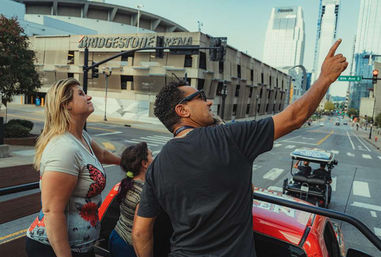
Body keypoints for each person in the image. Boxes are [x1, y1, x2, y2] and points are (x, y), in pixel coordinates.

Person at [132, 39, 348, 257]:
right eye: (200, 97)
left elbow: (140, 232)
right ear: (182, 110)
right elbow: (294, 117)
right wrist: (325, 79)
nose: (209, 102)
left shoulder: (156, 166)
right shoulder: (229, 137)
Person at [25, 78, 121, 257]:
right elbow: (52, 211)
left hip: (82, 247)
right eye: (81, 94)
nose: (89, 97)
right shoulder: (63, 148)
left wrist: (126, 162)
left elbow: (102, 155)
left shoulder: (81, 137)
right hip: (53, 249)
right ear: (66, 104)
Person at [108, 142, 153, 257]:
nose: (153, 159)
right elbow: (138, 234)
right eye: (151, 156)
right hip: (129, 246)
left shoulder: (127, 183)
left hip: (116, 235)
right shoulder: (143, 193)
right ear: (144, 164)